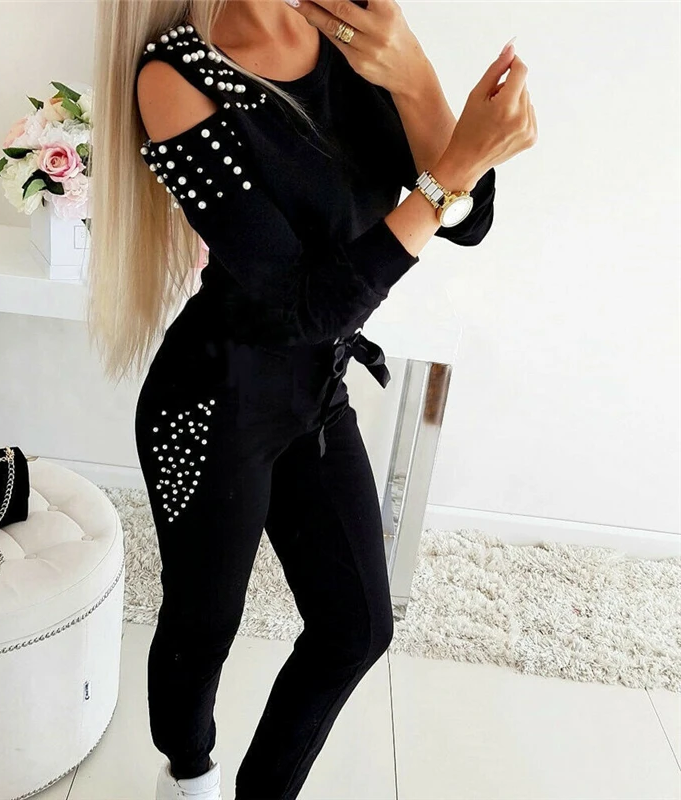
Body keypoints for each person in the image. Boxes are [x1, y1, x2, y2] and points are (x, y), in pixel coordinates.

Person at [87, 0, 536, 797]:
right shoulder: (175, 76)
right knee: (201, 626)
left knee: (357, 627)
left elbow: (467, 222)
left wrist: (416, 75)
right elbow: (306, 305)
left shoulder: (349, 29)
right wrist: (451, 173)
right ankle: (188, 775)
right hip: (210, 400)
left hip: (316, 391)